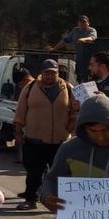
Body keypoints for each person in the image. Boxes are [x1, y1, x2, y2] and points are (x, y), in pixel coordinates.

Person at [12, 59, 78, 210]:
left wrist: (73, 121)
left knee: (61, 174)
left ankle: (61, 204)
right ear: (41, 73)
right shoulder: (30, 88)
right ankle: (31, 199)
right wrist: (18, 134)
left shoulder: (68, 88)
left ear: (58, 73)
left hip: (60, 141)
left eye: (53, 73)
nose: (50, 76)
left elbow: (75, 109)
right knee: (34, 173)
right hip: (35, 140)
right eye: (47, 72)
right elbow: (20, 112)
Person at [52, 15, 98, 83]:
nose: (82, 23)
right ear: (78, 23)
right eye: (80, 22)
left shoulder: (91, 30)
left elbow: (92, 38)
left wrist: (83, 40)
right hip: (79, 60)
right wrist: (54, 49)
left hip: (89, 60)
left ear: (88, 23)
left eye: (84, 22)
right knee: (79, 79)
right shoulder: (75, 30)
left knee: (89, 80)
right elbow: (65, 40)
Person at [13, 67, 33, 164]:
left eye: (21, 84)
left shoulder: (33, 88)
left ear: (26, 78)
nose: (20, 87)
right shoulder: (28, 89)